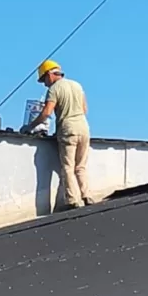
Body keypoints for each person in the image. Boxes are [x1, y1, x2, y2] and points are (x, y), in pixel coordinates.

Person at [22, 60, 93, 210]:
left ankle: (73, 200)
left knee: (68, 166)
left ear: (49, 75)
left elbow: (47, 112)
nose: (44, 84)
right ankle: (87, 196)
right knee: (81, 166)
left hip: (68, 128)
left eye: (44, 80)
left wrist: (30, 126)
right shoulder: (77, 85)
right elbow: (85, 109)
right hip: (84, 127)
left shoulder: (54, 89)